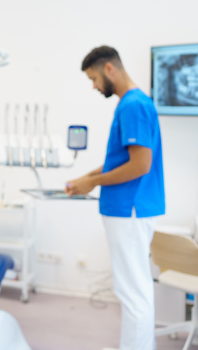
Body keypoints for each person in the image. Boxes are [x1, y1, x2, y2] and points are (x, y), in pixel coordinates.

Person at [65, 46, 165, 350]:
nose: (94, 86)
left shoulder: (133, 105)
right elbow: (120, 161)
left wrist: (93, 182)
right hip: (130, 209)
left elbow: (140, 165)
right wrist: (87, 179)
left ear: (109, 69)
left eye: (94, 78)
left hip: (129, 209)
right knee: (136, 291)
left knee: (132, 294)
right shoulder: (132, 103)